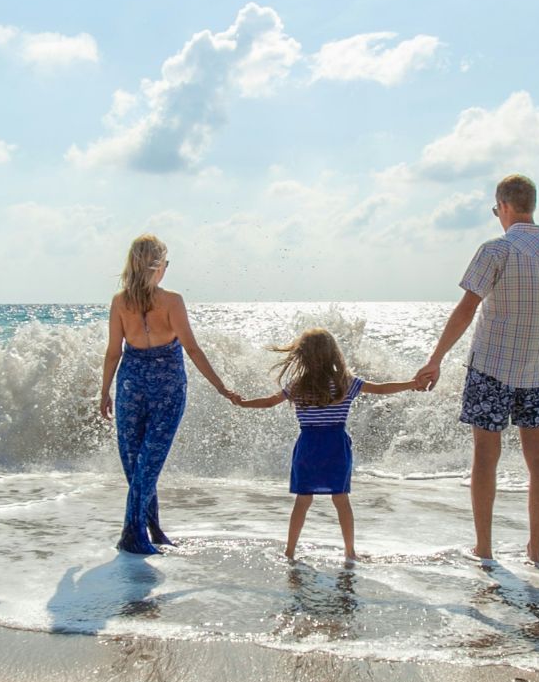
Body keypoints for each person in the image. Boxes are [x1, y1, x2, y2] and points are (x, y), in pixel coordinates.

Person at [414, 175, 539, 563]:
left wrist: (436, 358)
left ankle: (485, 548)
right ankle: (536, 550)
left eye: (496, 210)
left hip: (490, 368)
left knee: (485, 457)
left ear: (503, 206)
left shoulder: (495, 251)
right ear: (532, 205)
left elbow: (465, 310)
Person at [232, 328, 423, 562]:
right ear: (333, 354)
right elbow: (381, 388)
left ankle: (290, 552)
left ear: (302, 356)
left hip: (308, 447)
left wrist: (243, 403)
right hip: (335, 447)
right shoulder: (345, 383)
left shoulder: (297, 385)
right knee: (341, 500)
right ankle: (350, 552)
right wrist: (413, 383)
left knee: (303, 500)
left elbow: (270, 402)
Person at [98, 235, 237, 555]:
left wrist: (104, 391)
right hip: (167, 389)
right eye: (166, 263)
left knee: (139, 464)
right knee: (146, 464)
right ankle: (133, 533)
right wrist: (221, 386)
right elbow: (191, 348)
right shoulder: (172, 301)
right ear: (157, 266)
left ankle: (152, 529)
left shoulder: (121, 301)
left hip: (131, 386)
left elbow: (113, 353)